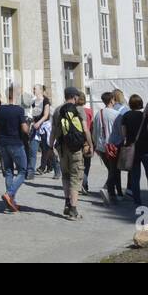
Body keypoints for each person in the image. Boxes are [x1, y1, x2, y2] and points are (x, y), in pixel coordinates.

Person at [51, 87, 91, 219]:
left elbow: (53, 131)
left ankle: (67, 203)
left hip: (62, 148)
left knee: (66, 176)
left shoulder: (58, 110)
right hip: (76, 149)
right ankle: (73, 210)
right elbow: (85, 130)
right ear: (75, 97)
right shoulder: (79, 110)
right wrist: (90, 145)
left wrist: (50, 146)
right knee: (76, 177)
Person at [120, 94, 148, 210]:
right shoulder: (145, 116)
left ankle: (137, 202)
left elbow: (123, 134)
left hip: (132, 151)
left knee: (135, 177)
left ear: (130, 104)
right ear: (141, 103)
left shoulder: (126, 116)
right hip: (147, 149)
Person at [0, 85, 30, 212]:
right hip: (16, 143)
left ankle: (11, 200)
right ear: (15, 95)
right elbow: (25, 129)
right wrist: (29, 128)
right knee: (23, 170)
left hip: (3, 143)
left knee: (8, 171)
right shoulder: (19, 110)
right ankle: (10, 194)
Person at [92, 91, 122, 204]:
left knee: (112, 170)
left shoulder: (98, 114)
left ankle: (114, 193)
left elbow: (94, 131)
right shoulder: (116, 114)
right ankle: (107, 189)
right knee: (114, 171)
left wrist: (95, 145)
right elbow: (121, 132)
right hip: (113, 146)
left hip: (101, 147)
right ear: (111, 100)